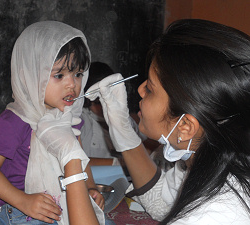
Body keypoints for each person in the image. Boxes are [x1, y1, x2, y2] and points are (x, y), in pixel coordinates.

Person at [81, 19, 250, 224]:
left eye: (150, 89)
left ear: (185, 126)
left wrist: (73, 170)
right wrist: (122, 129)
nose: (141, 90)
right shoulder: (214, 157)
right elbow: (162, 202)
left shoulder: (209, 215)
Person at [0, 21, 105, 225]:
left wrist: (89, 187)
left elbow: (80, 161)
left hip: (64, 202)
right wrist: (24, 201)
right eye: (59, 75)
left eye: (78, 74)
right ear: (30, 75)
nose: (72, 84)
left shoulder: (69, 118)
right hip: (20, 209)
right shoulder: (12, 123)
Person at [81, 62, 158, 164]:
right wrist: (118, 163)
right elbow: (79, 163)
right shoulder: (82, 121)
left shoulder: (124, 116)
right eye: (97, 102)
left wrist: (158, 152)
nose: (104, 106)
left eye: (107, 98)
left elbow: (145, 143)